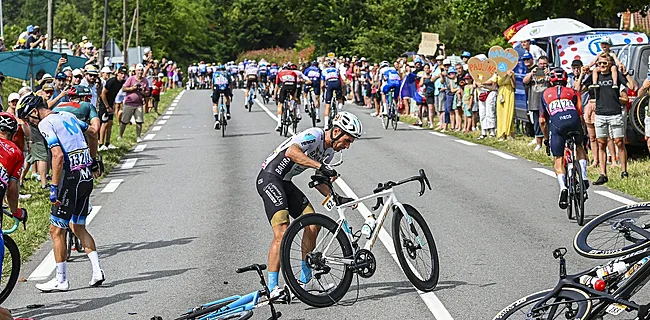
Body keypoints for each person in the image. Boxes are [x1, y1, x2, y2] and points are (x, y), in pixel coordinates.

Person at [257, 111, 363, 296]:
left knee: (313, 225)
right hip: (270, 178)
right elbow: (292, 152)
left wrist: (336, 196)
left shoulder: (329, 152)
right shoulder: (315, 135)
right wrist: (320, 166)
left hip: (286, 182)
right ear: (336, 131)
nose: (347, 146)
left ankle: (306, 281)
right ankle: (272, 288)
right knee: (282, 231)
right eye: (347, 140)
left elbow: (319, 180)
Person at [16, 94, 104, 292]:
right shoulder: (66, 115)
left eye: (28, 118)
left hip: (69, 179)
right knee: (78, 226)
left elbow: (57, 155)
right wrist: (93, 159)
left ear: (34, 111)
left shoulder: (46, 123)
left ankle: (61, 280)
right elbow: (92, 132)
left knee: (56, 230)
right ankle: (97, 271)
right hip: (85, 175)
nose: (30, 123)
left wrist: (54, 187)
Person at [539, 68, 589, 209]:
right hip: (573, 120)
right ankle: (584, 176)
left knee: (558, 158)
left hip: (557, 125)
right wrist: (583, 134)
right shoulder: (574, 92)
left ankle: (563, 188)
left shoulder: (545, 94)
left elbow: (542, 121)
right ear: (566, 79)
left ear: (551, 80)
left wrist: (547, 139)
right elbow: (580, 115)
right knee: (579, 146)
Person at [591, 52, 636, 184]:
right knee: (601, 144)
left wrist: (626, 73)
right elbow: (578, 88)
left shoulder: (615, 74)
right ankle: (603, 174)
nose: (602, 66)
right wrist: (583, 73)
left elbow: (633, 86)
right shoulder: (595, 75)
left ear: (610, 64)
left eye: (605, 63)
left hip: (615, 113)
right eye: (599, 63)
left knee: (619, 142)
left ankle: (624, 171)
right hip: (600, 114)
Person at [98, 66, 127, 150]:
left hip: (110, 103)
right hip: (104, 104)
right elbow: (103, 94)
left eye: (124, 74)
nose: (123, 75)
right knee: (105, 123)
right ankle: (100, 144)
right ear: (117, 73)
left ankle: (107, 143)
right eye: (121, 73)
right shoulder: (111, 81)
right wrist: (107, 106)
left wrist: (112, 105)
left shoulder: (121, 82)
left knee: (110, 123)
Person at [119, 64, 150, 142]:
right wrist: (132, 88)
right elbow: (124, 88)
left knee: (139, 121)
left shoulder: (145, 80)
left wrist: (142, 91)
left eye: (141, 70)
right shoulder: (131, 79)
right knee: (124, 121)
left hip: (139, 103)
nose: (140, 72)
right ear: (135, 71)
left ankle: (138, 136)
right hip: (129, 103)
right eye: (138, 70)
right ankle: (120, 135)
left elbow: (147, 93)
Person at [321, 60, 345, 130]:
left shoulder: (324, 71)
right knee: (340, 100)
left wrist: (323, 93)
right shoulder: (337, 70)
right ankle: (340, 113)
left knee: (327, 105)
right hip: (337, 83)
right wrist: (342, 93)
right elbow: (342, 83)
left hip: (329, 84)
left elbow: (322, 85)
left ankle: (326, 125)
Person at [211, 64, 232, 129]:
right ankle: (228, 112)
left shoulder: (214, 74)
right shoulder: (227, 73)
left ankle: (216, 120)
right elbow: (230, 84)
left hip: (217, 88)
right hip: (225, 88)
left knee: (215, 104)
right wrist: (230, 93)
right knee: (227, 97)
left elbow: (212, 84)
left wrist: (213, 92)